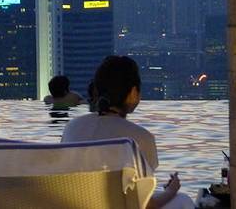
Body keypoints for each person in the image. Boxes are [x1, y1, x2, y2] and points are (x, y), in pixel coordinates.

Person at [61, 56, 194, 209]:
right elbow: (145, 204)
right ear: (133, 93)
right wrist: (171, 191)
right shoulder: (140, 138)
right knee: (182, 200)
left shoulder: (72, 127)